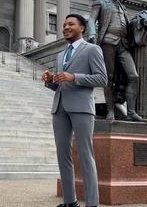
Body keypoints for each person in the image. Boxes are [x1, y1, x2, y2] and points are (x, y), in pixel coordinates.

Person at [42, 14, 107, 207]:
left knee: (86, 155)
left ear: (82, 29)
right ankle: (70, 202)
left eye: (71, 24)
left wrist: (74, 77)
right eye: (64, 25)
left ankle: (92, 204)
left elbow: (101, 79)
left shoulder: (92, 50)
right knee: (63, 155)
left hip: (81, 107)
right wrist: (51, 80)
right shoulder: (61, 55)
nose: (66, 27)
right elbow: (60, 84)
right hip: (59, 107)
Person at [86, 0, 144, 121]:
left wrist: (141, 22)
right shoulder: (100, 3)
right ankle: (110, 110)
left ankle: (130, 112)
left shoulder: (122, 6)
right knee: (109, 78)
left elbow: (128, 25)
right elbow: (91, 20)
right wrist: (92, 34)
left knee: (134, 76)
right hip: (107, 42)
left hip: (123, 44)